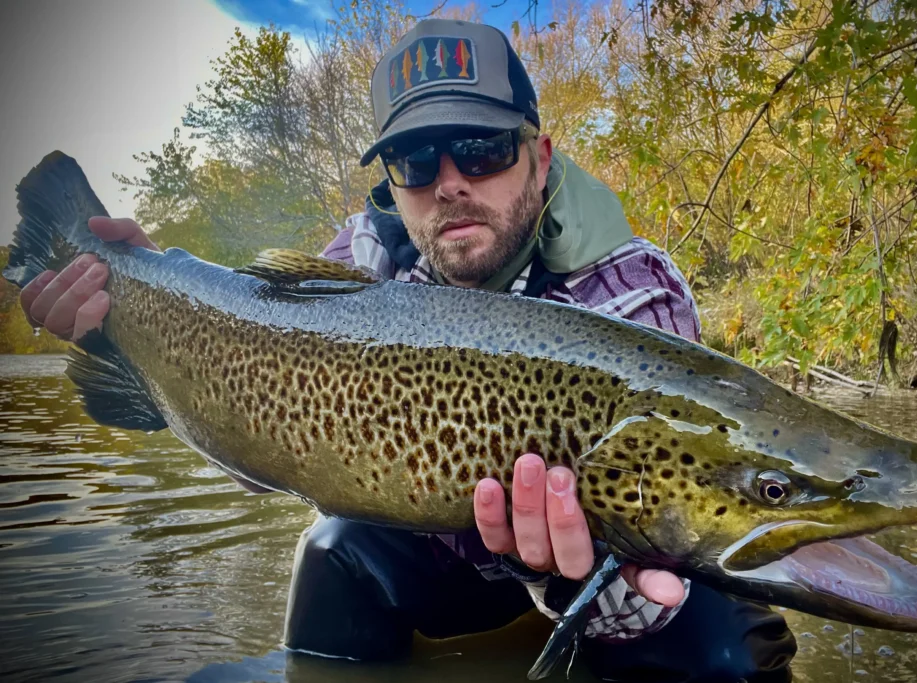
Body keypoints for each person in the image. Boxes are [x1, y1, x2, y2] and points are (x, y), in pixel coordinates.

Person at [19, 18, 796, 682]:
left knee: (724, 657)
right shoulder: (362, 266)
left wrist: (575, 585)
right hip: (445, 553)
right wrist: (139, 317)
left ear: (542, 155)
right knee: (333, 552)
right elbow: (266, 437)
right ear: (392, 181)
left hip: (618, 574)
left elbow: (679, 524)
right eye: (416, 162)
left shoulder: (631, 291)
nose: (449, 183)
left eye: (481, 147)